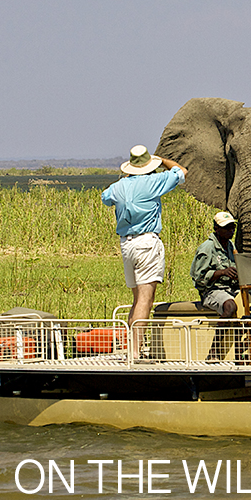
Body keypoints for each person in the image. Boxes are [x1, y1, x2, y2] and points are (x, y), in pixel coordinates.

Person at [101, 145, 187, 351]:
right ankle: (135, 350)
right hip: (147, 242)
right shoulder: (153, 181)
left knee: (137, 300)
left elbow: (106, 197)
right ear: (149, 165)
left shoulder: (118, 186)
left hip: (126, 245)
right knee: (146, 301)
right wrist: (162, 160)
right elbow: (181, 171)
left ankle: (132, 346)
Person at [191, 211, 250, 361]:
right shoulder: (207, 248)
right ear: (216, 228)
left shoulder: (230, 246)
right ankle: (214, 350)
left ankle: (243, 348)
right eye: (227, 227)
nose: (231, 230)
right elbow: (199, 278)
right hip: (212, 291)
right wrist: (221, 272)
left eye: (232, 227)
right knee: (230, 306)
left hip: (231, 289)